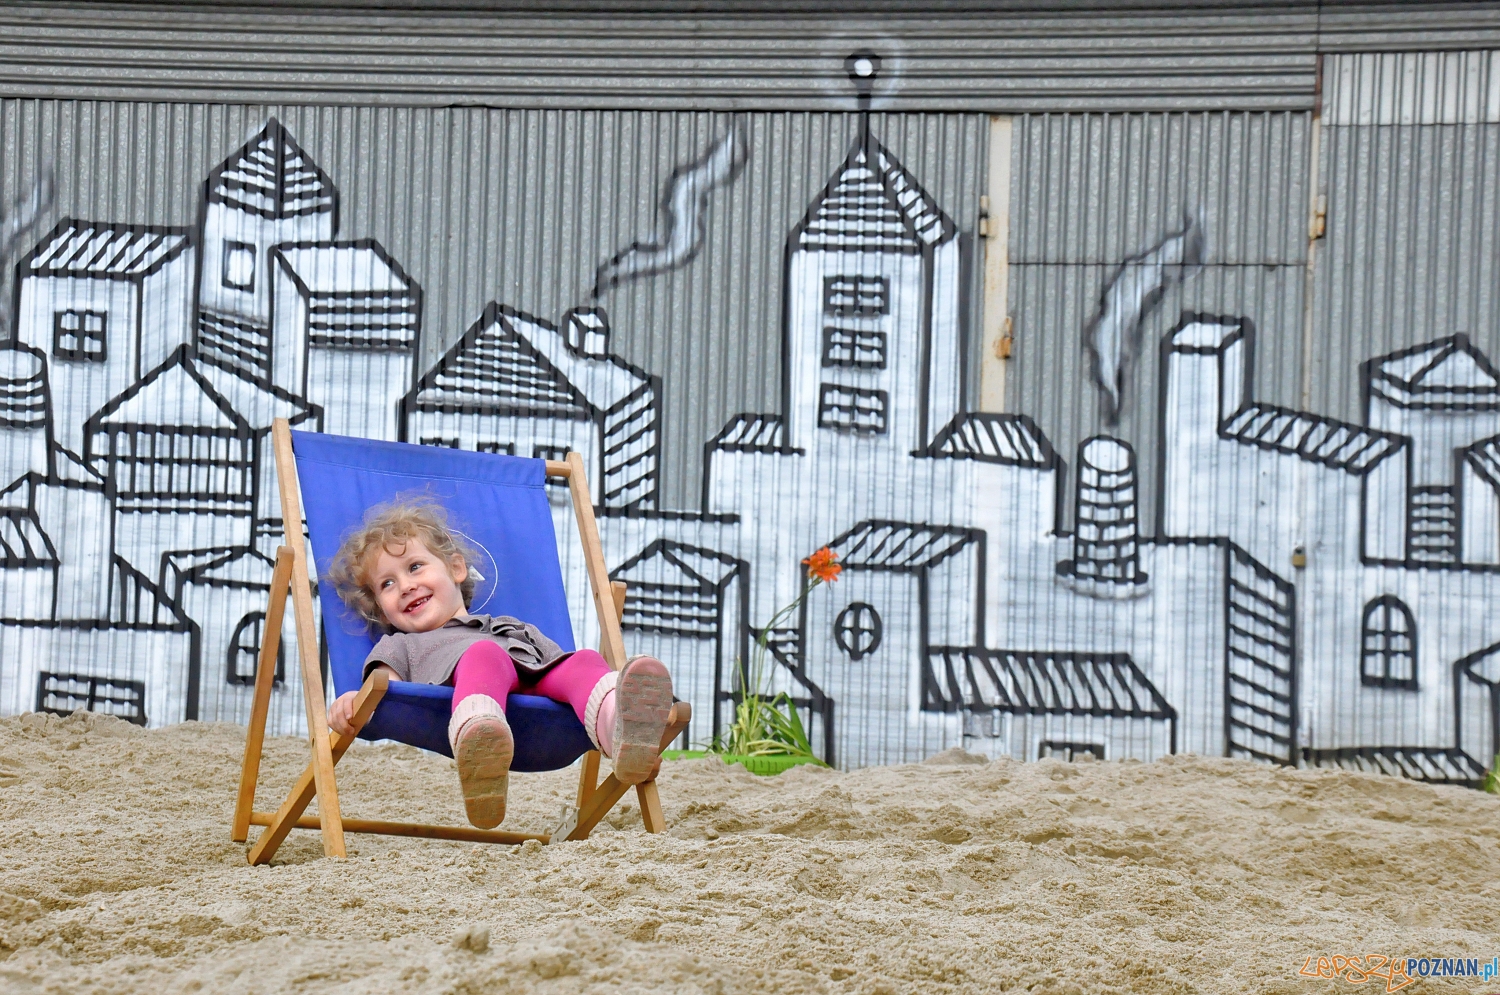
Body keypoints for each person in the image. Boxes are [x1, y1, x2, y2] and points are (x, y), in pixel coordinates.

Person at [325, 496, 673, 829]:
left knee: (585, 660)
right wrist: (353, 705)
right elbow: (385, 693)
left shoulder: (509, 627)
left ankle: (621, 734)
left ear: (457, 568)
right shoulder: (400, 645)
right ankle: (480, 740)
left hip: (546, 711)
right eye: (387, 584)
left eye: (415, 567)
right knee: (484, 655)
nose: (405, 586)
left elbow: (557, 667)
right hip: (469, 714)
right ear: (380, 607)